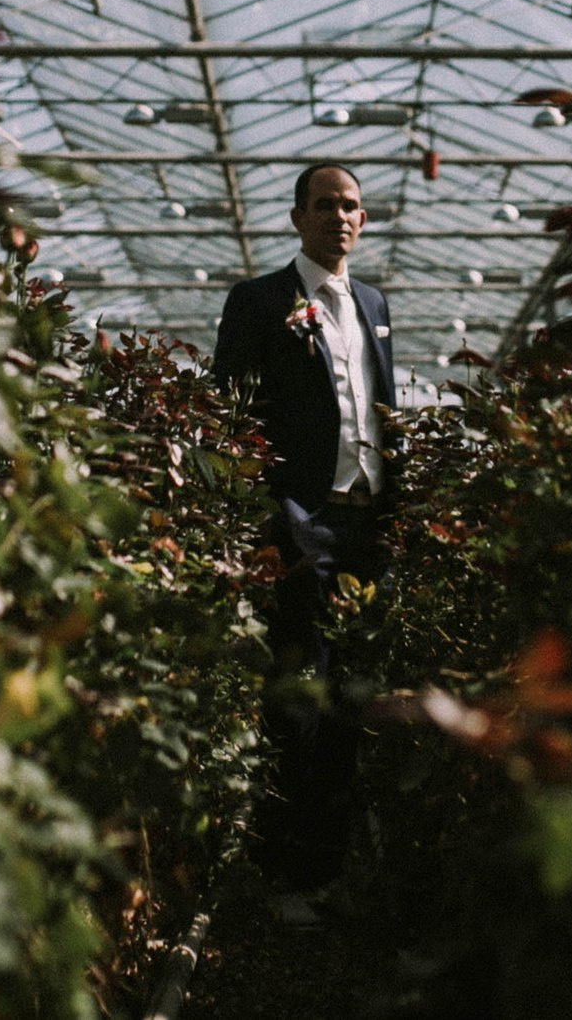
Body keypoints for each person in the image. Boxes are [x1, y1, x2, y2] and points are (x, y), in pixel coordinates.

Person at [212, 160, 397, 911]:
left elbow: (379, 408)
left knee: (353, 695)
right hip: (299, 521)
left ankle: (330, 869)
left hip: (364, 525)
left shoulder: (373, 303)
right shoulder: (260, 302)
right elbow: (228, 413)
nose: (340, 217)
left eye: (351, 206)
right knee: (296, 697)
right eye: (325, 205)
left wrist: (395, 509)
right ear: (296, 217)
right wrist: (269, 520)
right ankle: (282, 871)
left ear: (363, 219)